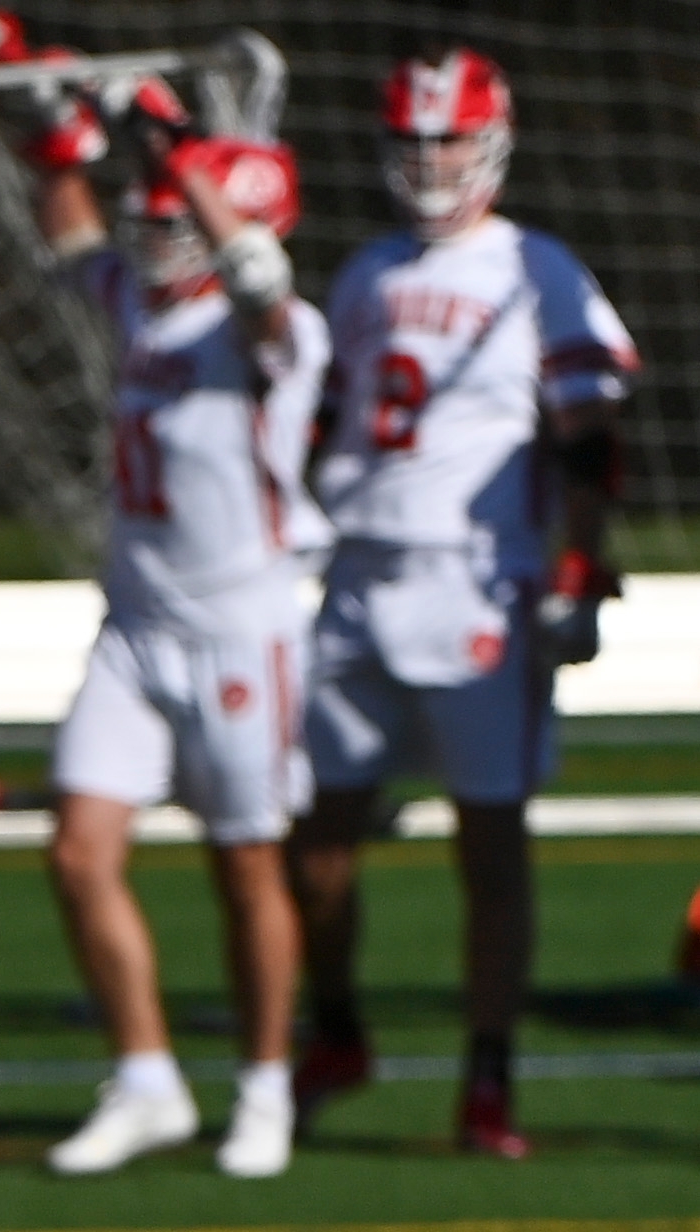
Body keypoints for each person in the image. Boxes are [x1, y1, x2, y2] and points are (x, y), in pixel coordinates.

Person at [289, 49, 636, 1159]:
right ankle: (335, 1026)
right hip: (357, 572)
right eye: (414, 139)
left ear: (491, 142)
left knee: (490, 839)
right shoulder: (363, 272)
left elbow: (590, 432)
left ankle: (488, 1079)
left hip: (478, 580)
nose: (430, 161)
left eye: (448, 138)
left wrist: (583, 565)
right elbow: (326, 423)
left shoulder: (537, 266)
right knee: (318, 831)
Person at [0, 98, 324, 1181]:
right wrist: (55, 141)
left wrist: (182, 159)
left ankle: (266, 1084)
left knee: (245, 863)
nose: (157, 228)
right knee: (79, 851)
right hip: (136, 624)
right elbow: (71, 236)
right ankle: (147, 1079)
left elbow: (261, 283)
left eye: (178, 211)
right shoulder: (141, 305)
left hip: (240, 628)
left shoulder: (272, 329)